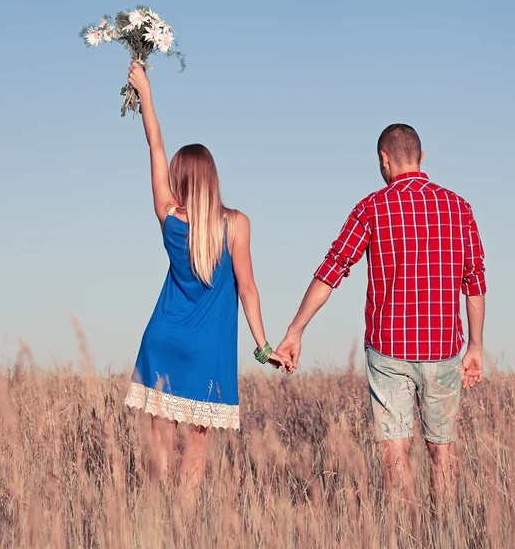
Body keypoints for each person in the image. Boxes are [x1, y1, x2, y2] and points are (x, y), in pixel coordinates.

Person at [276, 124, 486, 504]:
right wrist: (475, 345)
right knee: (443, 452)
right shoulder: (459, 208)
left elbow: (333, 269)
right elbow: (473, 282)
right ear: (422, 158)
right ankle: (446, 536)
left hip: (389, 351)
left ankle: (403, 537)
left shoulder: (372, 207)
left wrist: (295, 331)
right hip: (443, 351)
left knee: (396, 457)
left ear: (383, 160)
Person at [123, 62, 289, 488]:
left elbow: (154, 145)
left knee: (161, 441)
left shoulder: (167, 216)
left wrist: (146, 93)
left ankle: (157, 521)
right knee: (196, 449)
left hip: (162, 339)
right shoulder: (236, 224)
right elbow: (248, 288)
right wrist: (263, 346)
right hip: (206, 351)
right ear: (213, 178)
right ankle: (182, 525)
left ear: (179, 178)